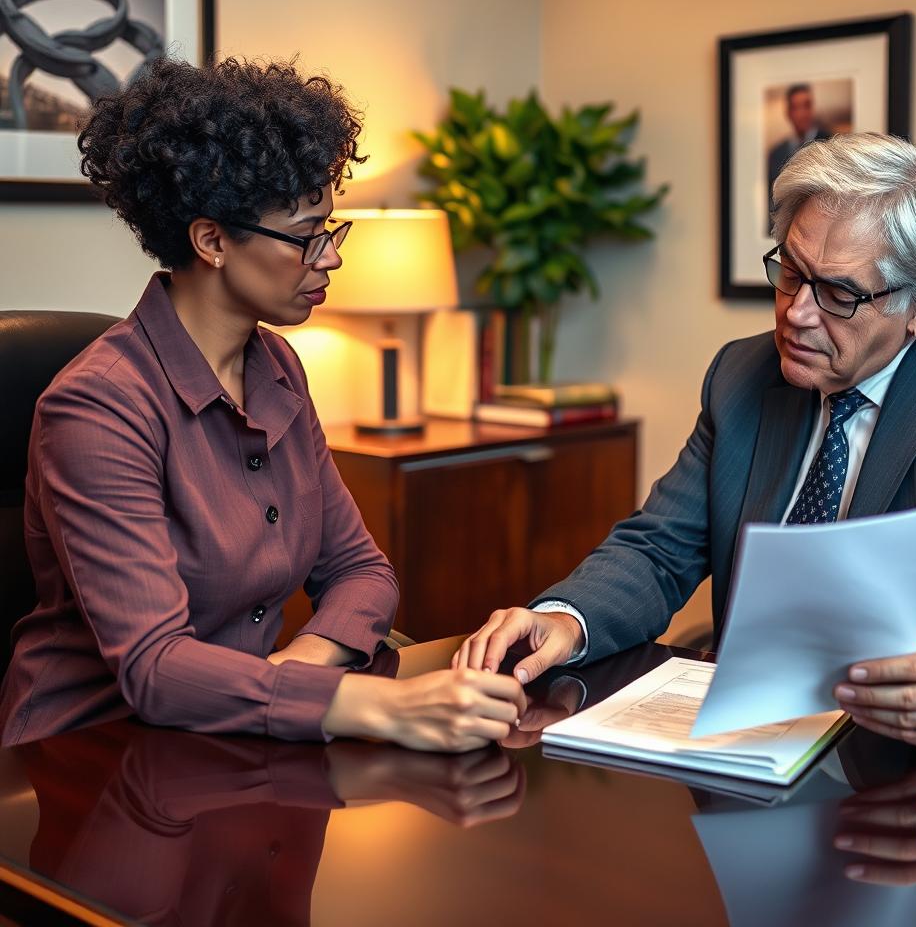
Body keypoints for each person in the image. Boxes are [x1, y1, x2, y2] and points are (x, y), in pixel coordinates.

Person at [0, 57, 524, 749]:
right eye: (308, 236)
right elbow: (155, 670)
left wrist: (298, 671)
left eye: (330, 232)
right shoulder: (98, 407)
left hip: (237, 731)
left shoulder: (277, 366)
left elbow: (362, 572)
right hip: (86, 761)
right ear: (212, 240)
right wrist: (377, 707)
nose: (330, 258)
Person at [454, 132, 916, 754]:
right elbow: (660, 546)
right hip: (746, 740)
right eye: (791, 273)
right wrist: (567, 619)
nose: (798, 313)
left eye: (839, 293)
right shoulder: (743, 376)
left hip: (908, 754)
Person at [766, 83, 831, 230]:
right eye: (796, 107)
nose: (802, 114)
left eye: (806, 106)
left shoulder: (830, 144)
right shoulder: (776, 153)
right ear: (788, 113)